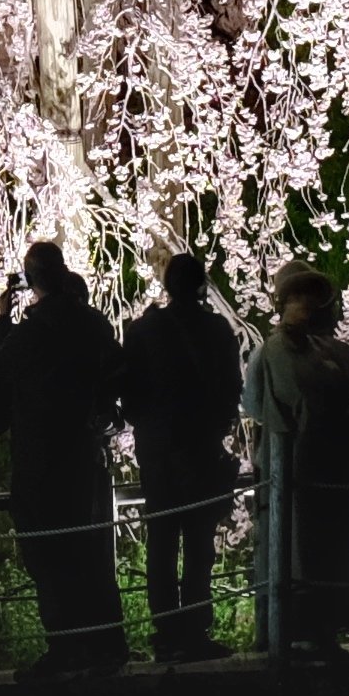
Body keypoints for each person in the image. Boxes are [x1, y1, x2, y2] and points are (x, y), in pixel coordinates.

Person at [0, 241, 131, 674]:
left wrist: (0, 321)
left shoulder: (31, 332)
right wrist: (104, 409)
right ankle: (104, 642)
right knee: (89, 550)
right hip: (83, 451)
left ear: (31, 280)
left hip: (40, 452)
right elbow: (119, 369)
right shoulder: (92, 324)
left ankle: (66, 644)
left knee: (47, 551)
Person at [245, 267, 349, 659]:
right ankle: (292, 631)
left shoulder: (331, 352)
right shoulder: (278, 350)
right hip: (298, 465)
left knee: (315, 549)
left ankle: (316, 631)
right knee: (295, 548)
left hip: (321, 464)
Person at [122, 252, 244, 659]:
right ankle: (194, 629)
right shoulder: (216, 330)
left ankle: (165, 631)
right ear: (200, 284)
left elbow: (130, 394)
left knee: (162, 542)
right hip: (202, 448)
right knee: (198, 542)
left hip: (157, 450)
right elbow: (231, 390)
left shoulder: (143, 332)